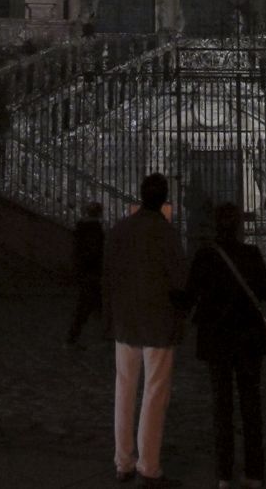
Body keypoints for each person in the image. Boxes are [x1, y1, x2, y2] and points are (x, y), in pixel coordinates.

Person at [182, 202, 266, 489]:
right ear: (238, 226)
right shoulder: (251, 254)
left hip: (217, 339)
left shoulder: (205, 256)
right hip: (248, 339)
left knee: (221, 407)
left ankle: (223, 474)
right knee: (251, 405)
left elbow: (188, 298)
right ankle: (255, 472)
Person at [103, 173, 187, 485]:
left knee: (124, 388)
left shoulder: (120, 230)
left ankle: (123, 461)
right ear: (163, 199)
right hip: (158, 321)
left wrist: (108, 316)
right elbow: (179, 279)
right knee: (155, 392)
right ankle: (148, 464)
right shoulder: (166, 234)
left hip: (126, 320)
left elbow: (107, 276)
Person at [66, 201, 105, 348]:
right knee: (88, 306)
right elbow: (94, 252)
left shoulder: (82, 227)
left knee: (93, 305)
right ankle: (72, 338)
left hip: (85, 271)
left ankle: (74, 337)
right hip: (92, 272)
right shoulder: (94, 229)